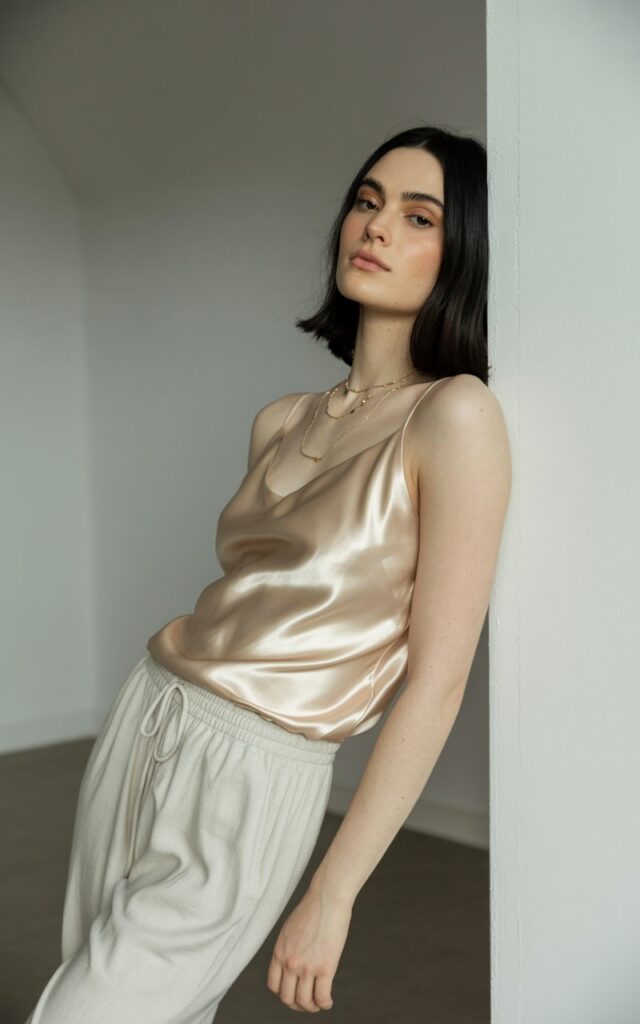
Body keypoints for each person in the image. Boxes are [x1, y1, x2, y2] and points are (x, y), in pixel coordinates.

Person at [26, 124, 511, 1021]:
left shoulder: (457, 417)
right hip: (149, 711)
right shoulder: (280, 421)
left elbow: (438, 683)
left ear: (463, 254)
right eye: (366, 202)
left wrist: (334, 893)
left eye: (418, 216)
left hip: (258, 765)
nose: (376, 228)